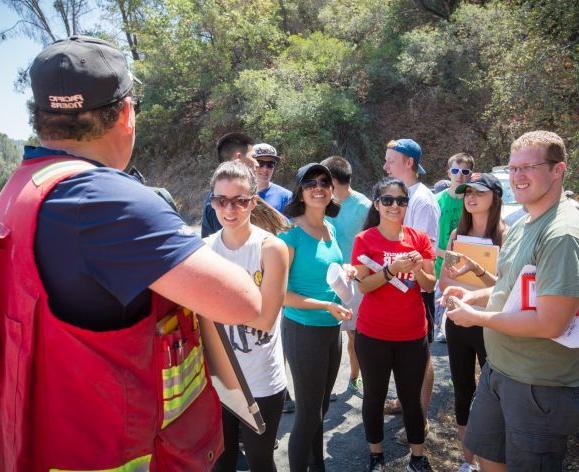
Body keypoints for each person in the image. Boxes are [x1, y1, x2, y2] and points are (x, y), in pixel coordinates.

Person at [0, 36, 262, 471]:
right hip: (129, 451)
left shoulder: (18, 191)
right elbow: (242, 302)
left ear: (41, 117)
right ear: (125, 113)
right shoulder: (109, 202)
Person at [442, 131, 579, 471]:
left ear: (558, 170)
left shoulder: (562, 234)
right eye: (513, 168)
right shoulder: (524, 223)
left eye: (528, 167)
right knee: (487, 457)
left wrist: (478, 317)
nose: (518, 176)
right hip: (500, 371)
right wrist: (474, 294)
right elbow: (508, 286)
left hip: (538, 386)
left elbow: (551, 322)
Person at [205, 161, 289, 472]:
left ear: (253, 201)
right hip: (217, 381)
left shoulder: (271, 248)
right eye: (220, 200)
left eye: (239, 201)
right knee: (220, 463)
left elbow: (266, 319)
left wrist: (212, 304)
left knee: (260, 461)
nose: (229, 208)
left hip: (261, 380)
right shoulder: (203, 250)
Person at [352, 177, 436, 472]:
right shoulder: (365, 239)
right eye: (387, 200)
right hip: (373, 334)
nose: (394, 206)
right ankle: (376, 455)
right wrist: (390, 270)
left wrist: (416, 269)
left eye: (400, 200)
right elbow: (364, 286)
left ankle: (418, 456)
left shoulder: (418, 238)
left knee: (411, 399)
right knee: (374, 396)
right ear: (377, 204)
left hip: (412, 333)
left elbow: (428, 283)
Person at [279, 163, 353, 472]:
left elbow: (331, 269)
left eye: (324, 181)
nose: (318, 187)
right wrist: (324, 306)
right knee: (308, 413)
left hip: (331, 327)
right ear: (300, 190)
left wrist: (346, 270)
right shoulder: (289, 234)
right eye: (310, 182)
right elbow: (281, 294)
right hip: (302, 328)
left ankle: (317, 465)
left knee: (321, 408)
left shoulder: (330, 228)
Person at [438, 173, 507, 472]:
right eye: (467, 192)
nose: (471, 197)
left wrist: (472, 286)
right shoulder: (457, 234)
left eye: (479, 191)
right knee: (462, 388)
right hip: (458, 321)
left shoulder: (508, 235)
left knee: (496, 391)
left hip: (492, 324)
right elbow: (444, 282)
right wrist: (459, 295)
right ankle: (468, 463)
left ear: (495, 197)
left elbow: (506, 289)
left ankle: (498, 457)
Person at [383, 138, 439, 427]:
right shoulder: (404, 195)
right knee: (400, 353)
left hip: (417, 289)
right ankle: (404, 403)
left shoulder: (422, 201)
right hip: (398, 287)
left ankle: (420, 419)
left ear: (409, 163)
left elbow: (425, 253)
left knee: (421, 356)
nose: (385, 165)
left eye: (391, 160)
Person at [321, 155, 372, 397]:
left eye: (323, 179)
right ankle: (325, 384)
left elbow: (374, 243)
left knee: (355, 334)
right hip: (327, 279)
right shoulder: (322, 204)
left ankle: (355, 377)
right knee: (329, 335)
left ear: (332, 179)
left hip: (355, 280)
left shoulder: (364, 206)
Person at [433, 153, 475, 342]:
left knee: (457, 292)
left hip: (466, 259)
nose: (460, 175)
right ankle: (441, 326)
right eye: (456, 170)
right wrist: (441, 253)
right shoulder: (437, 200)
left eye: (465, 171)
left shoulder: (472, 199)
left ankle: (451, 325)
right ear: (448, 172)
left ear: (470, 174)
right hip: (440, 256)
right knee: (442, 293)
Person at [201, 132, 256, 237]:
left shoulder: (216, 197)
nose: (257, 163)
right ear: (238, 157)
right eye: (253, 157)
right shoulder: (215, 206)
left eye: (241, 201)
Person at [253, 142, 293, 213]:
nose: (265, 169)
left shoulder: (287, 197)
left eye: (270, 164)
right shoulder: (238, 193)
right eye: (260, 163)